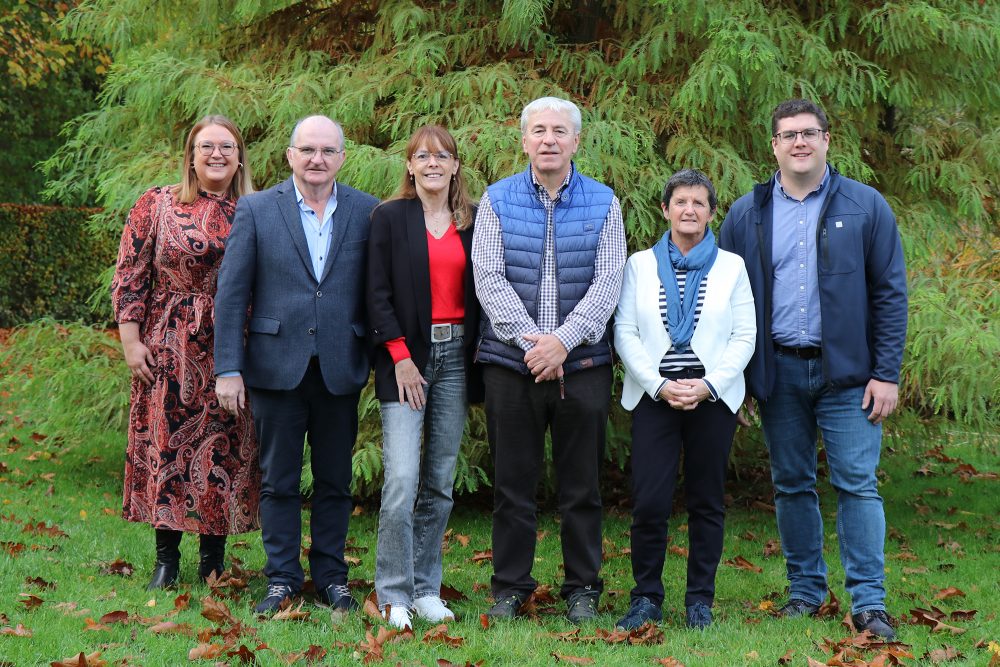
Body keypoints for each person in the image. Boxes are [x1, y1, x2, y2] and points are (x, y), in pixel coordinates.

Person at [719, 99, 907, 640]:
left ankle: (869, 603)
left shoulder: (866, 206)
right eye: (788, 135)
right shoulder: (746, 212)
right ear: (774, 146)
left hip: (848, 376)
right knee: (791, 484)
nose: (799, 143)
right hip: (777, 370)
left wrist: (886, 373)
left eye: (810, 133)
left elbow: (890, 295)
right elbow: (726, 299)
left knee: (857, 484)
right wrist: (736, 379)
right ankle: (805, 591)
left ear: (828, 140)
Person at [214, 115, 378, 614]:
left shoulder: (367, 212)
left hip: (339, 366)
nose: (317, 160)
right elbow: (231, 293)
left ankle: (332, 578)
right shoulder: (258, 210)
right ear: (289, 156)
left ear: (342, 158)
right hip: (274, 367)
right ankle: (282, 579)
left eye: (328, 151)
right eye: (307, 149)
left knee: (334, 480)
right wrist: (228, 367)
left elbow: (376, 295)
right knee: (279, 480)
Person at [472, 96, 626, 624]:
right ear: (523, 140)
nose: (549, 140)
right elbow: (488, 279)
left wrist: (563, 342)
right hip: (511, 367)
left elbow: (608, 282)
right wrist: (533, 344)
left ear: (576, 141)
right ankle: (510, 587)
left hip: (581, 367)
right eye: (538, 130)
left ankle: (582, 587)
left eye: (559, 131)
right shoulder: (495, 200)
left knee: (581, 487)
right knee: (513, 486)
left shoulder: (605, 202)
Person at [111, 114, 260, 590]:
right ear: (191, 156)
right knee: (169, 448)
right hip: (169, 345)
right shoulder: (156, 204)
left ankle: (213, 560)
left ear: (240, 157)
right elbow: (131, 274)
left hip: (234, 345)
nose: (217, 154)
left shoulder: (257, 209)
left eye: (227, 147)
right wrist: (131, 341)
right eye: (207, 146)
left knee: (223, 451)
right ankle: (166, 561)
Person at [612, 169, 755, 630]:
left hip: (712, 399)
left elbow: (744, 335)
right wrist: (658, 384)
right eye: (680, 202)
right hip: (656, 398)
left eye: (698, 203)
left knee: (706, 501)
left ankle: (700, 601)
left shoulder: (731, 267)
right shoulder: (639, 265)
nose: (689, 210)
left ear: (712, 212)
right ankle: (646, 597)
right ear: (665, 210)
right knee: (650, 501)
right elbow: (625, 331)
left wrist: (709, 384)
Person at [367, 125, 481, 629]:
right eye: (421, 155)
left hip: (456, 356)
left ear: (456, 166)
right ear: (410, 167)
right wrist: (399, 355)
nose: (432, 162)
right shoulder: (389, 218)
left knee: (438, 480)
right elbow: (375, 293)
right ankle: (393, 593)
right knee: (402, 479)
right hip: (404, 361)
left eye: (442, 155)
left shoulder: (473, 221)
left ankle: (426, 588)